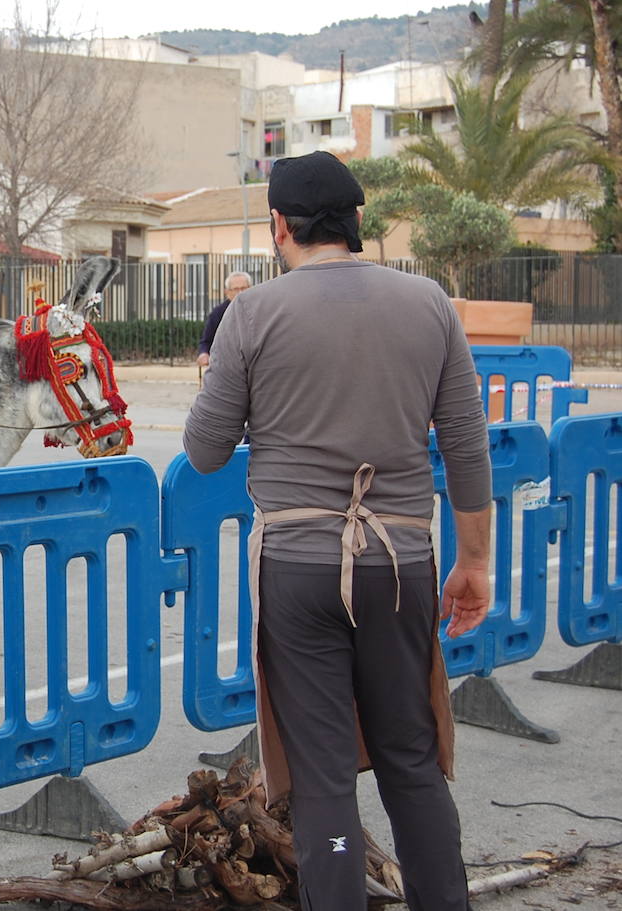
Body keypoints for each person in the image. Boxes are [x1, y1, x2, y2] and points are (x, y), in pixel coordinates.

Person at [182, 150, 492, 911]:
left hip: (297, 567)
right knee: (411, 758)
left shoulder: (252, 313)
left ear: (279, 226)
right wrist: (474, 560)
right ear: (358, 222)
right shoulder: (429, 303)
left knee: (322, 776)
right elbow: (466, 442)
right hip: (401, 562)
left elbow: (203, 449)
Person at [196, 270, 252, 367]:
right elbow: (206, 341)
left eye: (243, 288)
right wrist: (203, 354)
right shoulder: (218, 313)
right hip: (226, 365)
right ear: (227, 292)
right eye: (235, 289)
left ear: (251, 288)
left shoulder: (258, 309)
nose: (240, 292)